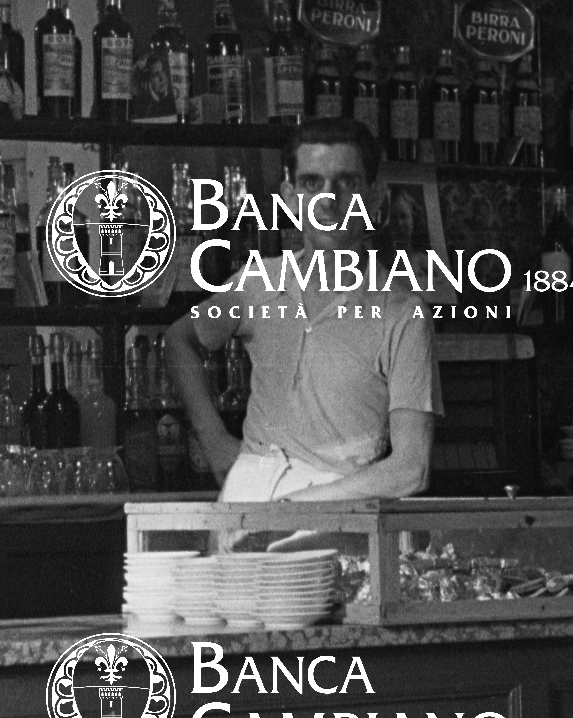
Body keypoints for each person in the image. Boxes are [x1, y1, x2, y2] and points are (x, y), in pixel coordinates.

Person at [163, 116, 441, 501]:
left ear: (376, 195)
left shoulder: (402, 315)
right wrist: (213, 438)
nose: (329, 201)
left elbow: (411, 469)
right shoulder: (257, 283)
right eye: (312, 183)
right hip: (246, 500)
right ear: (290, 197)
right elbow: (178, 340)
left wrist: (292, 508)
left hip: (339, 509)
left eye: (347, 182)